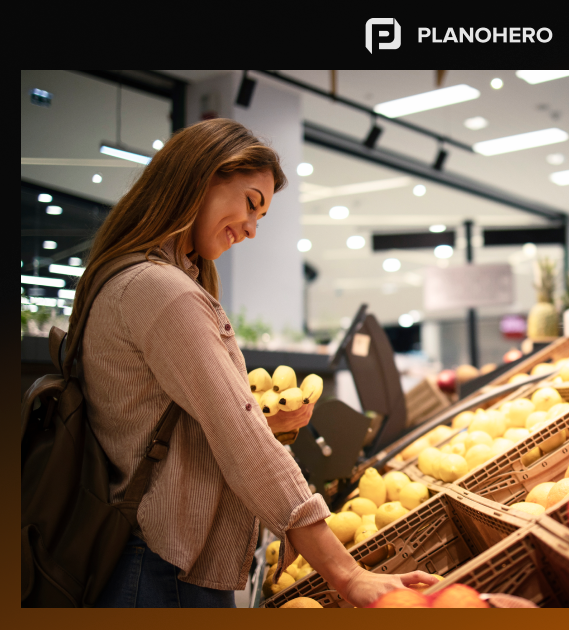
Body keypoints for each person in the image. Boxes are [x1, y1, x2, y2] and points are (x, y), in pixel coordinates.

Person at [75, 118, 436, 607]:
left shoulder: (134, 278)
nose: (250, 228)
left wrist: (274, 427)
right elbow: (238, 438)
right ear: (202, 177)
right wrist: (346, 574)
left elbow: (183, 423)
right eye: (250, 203)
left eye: (260, 216)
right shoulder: (162, 292)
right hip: (165, 568)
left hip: (156, 558)